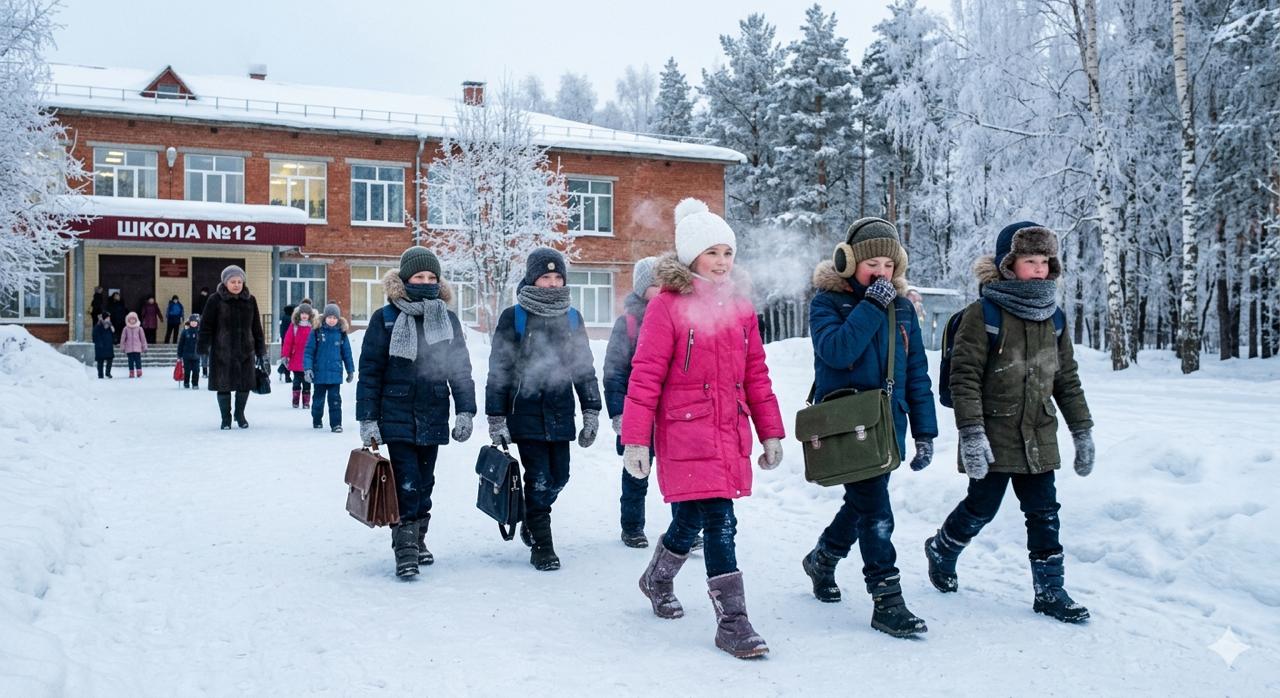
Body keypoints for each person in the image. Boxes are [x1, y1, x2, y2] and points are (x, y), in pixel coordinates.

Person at [622, 198, 785, 659]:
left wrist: (771, 431)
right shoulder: (667, 308)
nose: (721, 261)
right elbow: (646, 375)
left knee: (694, 517)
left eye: (727, 252)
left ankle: (656, 578)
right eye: (711, 252)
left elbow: (756, 374)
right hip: (685, 432)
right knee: (720, 520)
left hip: (729, 431)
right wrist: (636, 438)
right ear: (691, 256)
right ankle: (732, 623)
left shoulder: (741, 309)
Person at [924, 221, 1095, 623]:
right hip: (993, 434)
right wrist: (971, 433)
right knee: (981, 507)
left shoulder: (1054, 318)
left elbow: (1065, 378)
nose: (1038, 269)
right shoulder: (983, 314)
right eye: (1029, 260)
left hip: (1038, 432)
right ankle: (942, 549)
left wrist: (1082, 431)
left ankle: (1050, 591)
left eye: (1044, 261)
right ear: (1007, 265)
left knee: (1044, 511)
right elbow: (963, 378)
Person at [801, 218, 937, 638]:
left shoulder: (903, 309)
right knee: (877, 511)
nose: (881, 272)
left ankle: (823, 557)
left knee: (862, 504)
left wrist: (924, 432)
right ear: (849, 263)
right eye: (871, 262)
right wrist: (871, 305)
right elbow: (837, 351)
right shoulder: (827, 303)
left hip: (886, 425)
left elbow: (916, 373)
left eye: (888, 265)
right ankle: (886, 600)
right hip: (847, 426)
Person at [357, 247, 476, 578]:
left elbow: (460, 369)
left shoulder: (447, 319)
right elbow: (370, 370)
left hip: (433, 410)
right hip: (394, 412)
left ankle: (418, 539)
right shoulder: (386, 318)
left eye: (431, 277)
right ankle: (405, 549)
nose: (425, 282)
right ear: (405, 279)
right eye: (419, 277)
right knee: (406, 482)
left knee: (425, 482)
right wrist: (368, 418)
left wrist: (465, 410)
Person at [486, 247, 602, 572]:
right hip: (524, 413)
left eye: (557, 277)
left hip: (561, 412)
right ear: (532, 279)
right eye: (545, 277)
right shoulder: (515, 316)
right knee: (537, 478)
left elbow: (584, 368)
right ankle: (543, 545)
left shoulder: (572, 317)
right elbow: (500, 369)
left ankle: (531, 517)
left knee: (559, 476)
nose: (552, 283)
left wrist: (591, 410)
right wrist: (496, 418)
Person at [604, 256, 703, 549]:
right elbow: (614, 371)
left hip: (675, 413)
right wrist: (619, 413)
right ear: (642, 287)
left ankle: (681, 530)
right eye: (656, 284)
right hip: (640, 410)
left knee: (680, 474)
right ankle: (632, 526)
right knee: (636, 473)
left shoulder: (683, 317)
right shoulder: (629, 323)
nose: (663, 288)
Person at [198, 265, 267, 430]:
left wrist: (260, 350)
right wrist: (203, 347)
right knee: (223, 386)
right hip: (222, 352)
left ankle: (240, 414)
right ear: (225, 282)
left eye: (239, 282)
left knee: (245, 386)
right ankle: (226, 418)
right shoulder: (215, 300)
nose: (236, 285)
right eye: (232, 281)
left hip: (245, 351)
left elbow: (256, 327)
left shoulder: (250, 300)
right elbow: (206, 325)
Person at [305, 303, 354, 432]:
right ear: (324, 317)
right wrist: (308, 368)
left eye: (334, 318)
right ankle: (317, 419)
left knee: (335, 401)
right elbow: (309, 352)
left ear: (338, 319)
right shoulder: (317, 332)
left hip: (335, 374)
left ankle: (336, 424)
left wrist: (350, 370)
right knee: (318, 401)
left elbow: (347, 353)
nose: (332, 320)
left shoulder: (341, 334)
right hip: (319, 374)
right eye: (329, 317)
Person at [281, 303, 315, 409]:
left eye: (306, 314)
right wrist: (285, 355)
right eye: (302, 313)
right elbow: (288, 341)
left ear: (310, 315)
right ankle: (295, 400)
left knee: (307, 382)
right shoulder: (294, 326)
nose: (304, 316)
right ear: (299, 314)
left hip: (308, 360)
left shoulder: (313, 327)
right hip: (296, 358)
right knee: (296, 380)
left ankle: (306, 402)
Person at [176, 314, 202, 389]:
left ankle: (195, 384)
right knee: (187, 370)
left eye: (195, 321)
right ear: (189, 322)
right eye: (192, 321)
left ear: (197, 322)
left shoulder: (200, 332)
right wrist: (179, 355)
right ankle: (186, 382)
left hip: (196, 355)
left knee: (196, 370)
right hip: (186, 355)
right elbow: (181, 344)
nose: (194, 323)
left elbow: (203, 343)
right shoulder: (185, 332)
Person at [120, 311, 148, 378]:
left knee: (138, 360)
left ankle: (139, 371)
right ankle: (131, 372)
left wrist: (144, 347)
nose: (132, 320)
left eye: (133, 319)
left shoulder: (139, 328)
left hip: (137, 348)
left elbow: (143, 338)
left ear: (136, 319)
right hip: (129, 348)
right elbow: (123, 338)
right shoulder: (126, 329)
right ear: (128, 320)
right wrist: (122, 347)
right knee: (130, 361)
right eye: (130, 319)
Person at [92, 313, 114, 379]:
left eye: (109, 318)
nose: (109, 319)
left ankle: (108, 373)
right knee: (100, 361)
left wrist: (114, 339)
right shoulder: (98, 325)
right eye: (108, 318)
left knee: (110, 360)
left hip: (108, 346)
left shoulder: (110, 325)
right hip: (100, 346)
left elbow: (112, 334)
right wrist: (99, 343)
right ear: (104, 318)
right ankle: (100, 375)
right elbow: (95, 335)